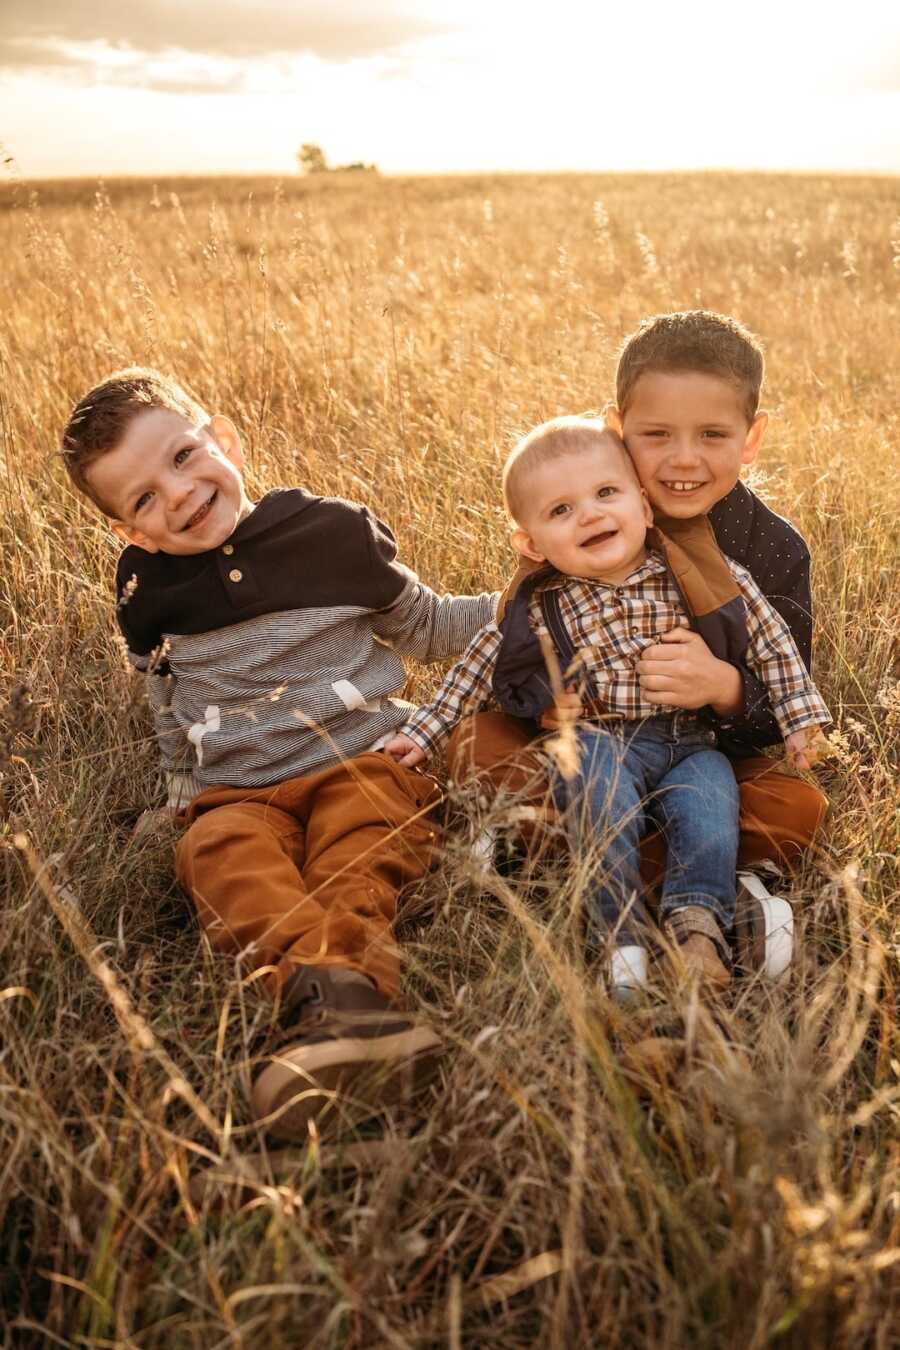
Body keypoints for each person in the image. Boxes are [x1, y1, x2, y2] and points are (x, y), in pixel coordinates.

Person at [60, 367, 497, 1140]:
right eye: (144, 499)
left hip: (362, 756)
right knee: (218, 857)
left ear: (223, 438)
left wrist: (530, 600)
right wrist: (177, 786)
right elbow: (164, 696)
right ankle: (331, 999)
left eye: (183, 458)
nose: (179, 495)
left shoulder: (330, 534)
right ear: (132, 532)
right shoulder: (144, 591)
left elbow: (426, 626)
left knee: (359, 850)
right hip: (239, 789)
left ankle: (348, 1004)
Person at [384, 419, 831, 1001]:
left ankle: (697, 931)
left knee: (713, 804)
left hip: (691, 746)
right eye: (562, 510)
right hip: (598, 740)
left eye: (605, 495)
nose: (591, 515)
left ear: (644, 508)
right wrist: (423, 732)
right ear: (533, 545)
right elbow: (471, 671)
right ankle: (620, 939)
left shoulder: (704, 575)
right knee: (593, 799)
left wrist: (800, 719)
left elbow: (773, 644)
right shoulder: (541, 604)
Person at [442, 311, 830, 963]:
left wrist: (728, 688)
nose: (684, 459)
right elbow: (516, 633)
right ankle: (701, 880)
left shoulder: (772, 549)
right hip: (589, 747)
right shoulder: (583, 503)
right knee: (476, 747)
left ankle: (586, 862)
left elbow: (786, 688)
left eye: (712, 434)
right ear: (618, 429)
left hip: (705, 758)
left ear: (750, 438)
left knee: (797, 807)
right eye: (656, 435)